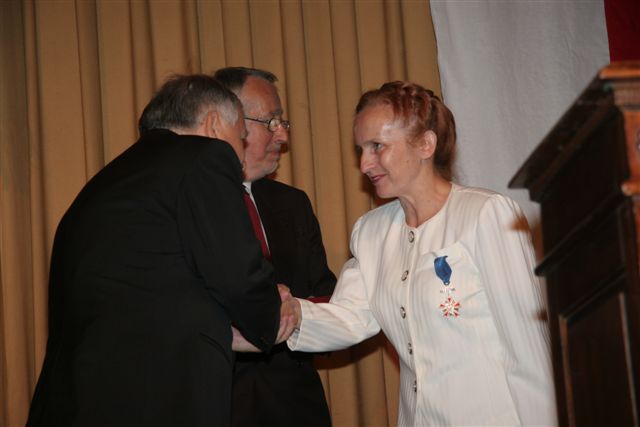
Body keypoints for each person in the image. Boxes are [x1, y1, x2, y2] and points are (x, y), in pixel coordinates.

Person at [26, 74, 296, 427]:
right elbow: (238, 276)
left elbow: (145, 297)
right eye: (241, 137)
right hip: (154, 403)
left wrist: (224, 331)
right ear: (214, 124)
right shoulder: (205, 155)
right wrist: (270, 313)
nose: (241, 159)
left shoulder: (104, 185)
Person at [286, 81, 557, 426]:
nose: (365, 164)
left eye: (377, 146)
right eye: (361, 150)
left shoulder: (486, 213)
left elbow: (528, 351)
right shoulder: (370, 232)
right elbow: (350, 317)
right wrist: (287, 314)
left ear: (426, 144)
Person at [214, 67, 336, 427]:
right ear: (228, 124)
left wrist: (294, 311)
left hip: (296, 403)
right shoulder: (191, 204)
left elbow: (326, 295)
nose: (282, 135)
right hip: (220, 402)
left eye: (283, 122)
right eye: (271, 122)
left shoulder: (294, 204)